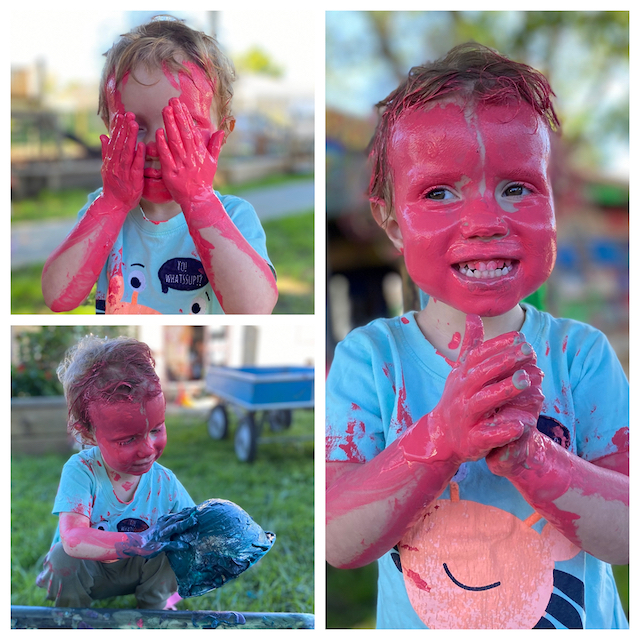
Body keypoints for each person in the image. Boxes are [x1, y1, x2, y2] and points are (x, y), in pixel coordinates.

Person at [325, 43, 629, 629]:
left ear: (554, 208)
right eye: (439, 192)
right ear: (391, 220)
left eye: (517, 187)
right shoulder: (370, 360)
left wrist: (532, 457)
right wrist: (440, 437)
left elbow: (627, 538)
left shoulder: (581, 355)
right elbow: (341, 541)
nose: (486, 220)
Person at [41, 16, 278, 314]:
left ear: (223, 133)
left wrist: (198, 200)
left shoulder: (235, 217)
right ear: (109, 130)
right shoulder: (102, 212)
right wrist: (112, 203)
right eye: (134, 125)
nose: (155, 144)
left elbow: (253, 310)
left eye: (181, 125)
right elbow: (58, 297)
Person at [36, 336, 196, 609]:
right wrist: (141, 541)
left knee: (177, 546)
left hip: (140, 574)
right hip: (89, 572)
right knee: (64, 556)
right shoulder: (82, 471)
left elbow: (195, 530)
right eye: (128, 439)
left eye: (156, 429)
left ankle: (154, 611)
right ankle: (71, 617)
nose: (147, 449)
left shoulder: (165, 482)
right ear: (88, 433)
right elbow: (74, 539)